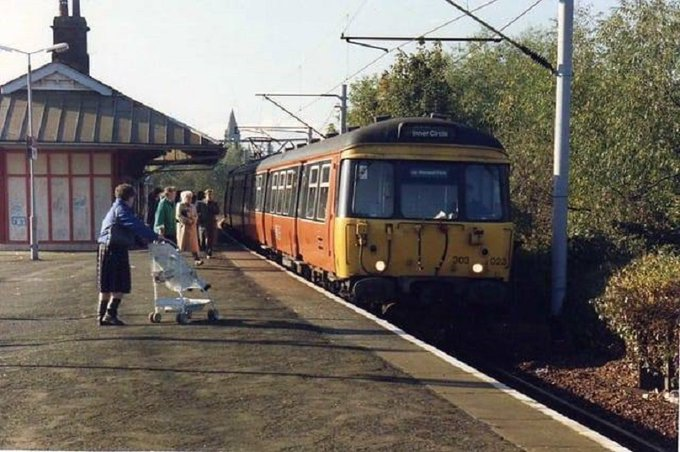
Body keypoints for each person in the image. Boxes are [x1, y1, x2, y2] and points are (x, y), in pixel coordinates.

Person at [97, 183, 162, 326]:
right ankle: (110, 314)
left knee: (106, 284)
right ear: (131, 197)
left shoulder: (114, 208)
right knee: (120, 284)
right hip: (115, 249)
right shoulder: (122, 209)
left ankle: (101, 315)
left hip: (105, 248)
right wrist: (155, 236)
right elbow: (135, 225)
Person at [176, 190, 203, 266]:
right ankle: (177, 260)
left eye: (190, 198)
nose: (189, 199)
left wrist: (194, 220)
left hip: (192, 228)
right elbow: (178, 216)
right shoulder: (180, 205)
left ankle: (197, 259)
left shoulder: (193, 206)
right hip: (183, 228)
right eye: (188, 197)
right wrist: (187, 221)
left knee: (194, 245)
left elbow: (195, 215)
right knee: (181, 245)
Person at [197, 188, 220, 258]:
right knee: (202, 240)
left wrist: (212, 206)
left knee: (209, 239)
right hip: (202, 224)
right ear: (205, 195)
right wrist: (199, 218)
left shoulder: (214, 203)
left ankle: (209, 252)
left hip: (211, 223)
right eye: (208, 195)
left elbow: (217, 212)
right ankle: (203, 250)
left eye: (211, 195)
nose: (210, 196)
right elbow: (197, 211)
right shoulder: (200, 203)